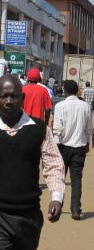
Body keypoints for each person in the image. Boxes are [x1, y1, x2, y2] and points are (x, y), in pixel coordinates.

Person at [0, 74, 65, 249]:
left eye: (13, 96)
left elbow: (53, 164)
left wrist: (57, 198)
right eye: (3, 96)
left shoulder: (40, 129)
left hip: (29, 217)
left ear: (22, 98)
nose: (8, 101)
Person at [53, 80, 92, 220]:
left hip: (63, 146)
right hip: (80, 146)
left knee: (60, 178)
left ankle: (57, 205)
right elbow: (89, 128)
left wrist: (56, 147)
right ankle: (75, 209)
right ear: (77, 91)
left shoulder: (59, 106)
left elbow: (57, 129)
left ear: (64, 91)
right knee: (76, 179)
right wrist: (88, 142)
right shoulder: (85, 107)